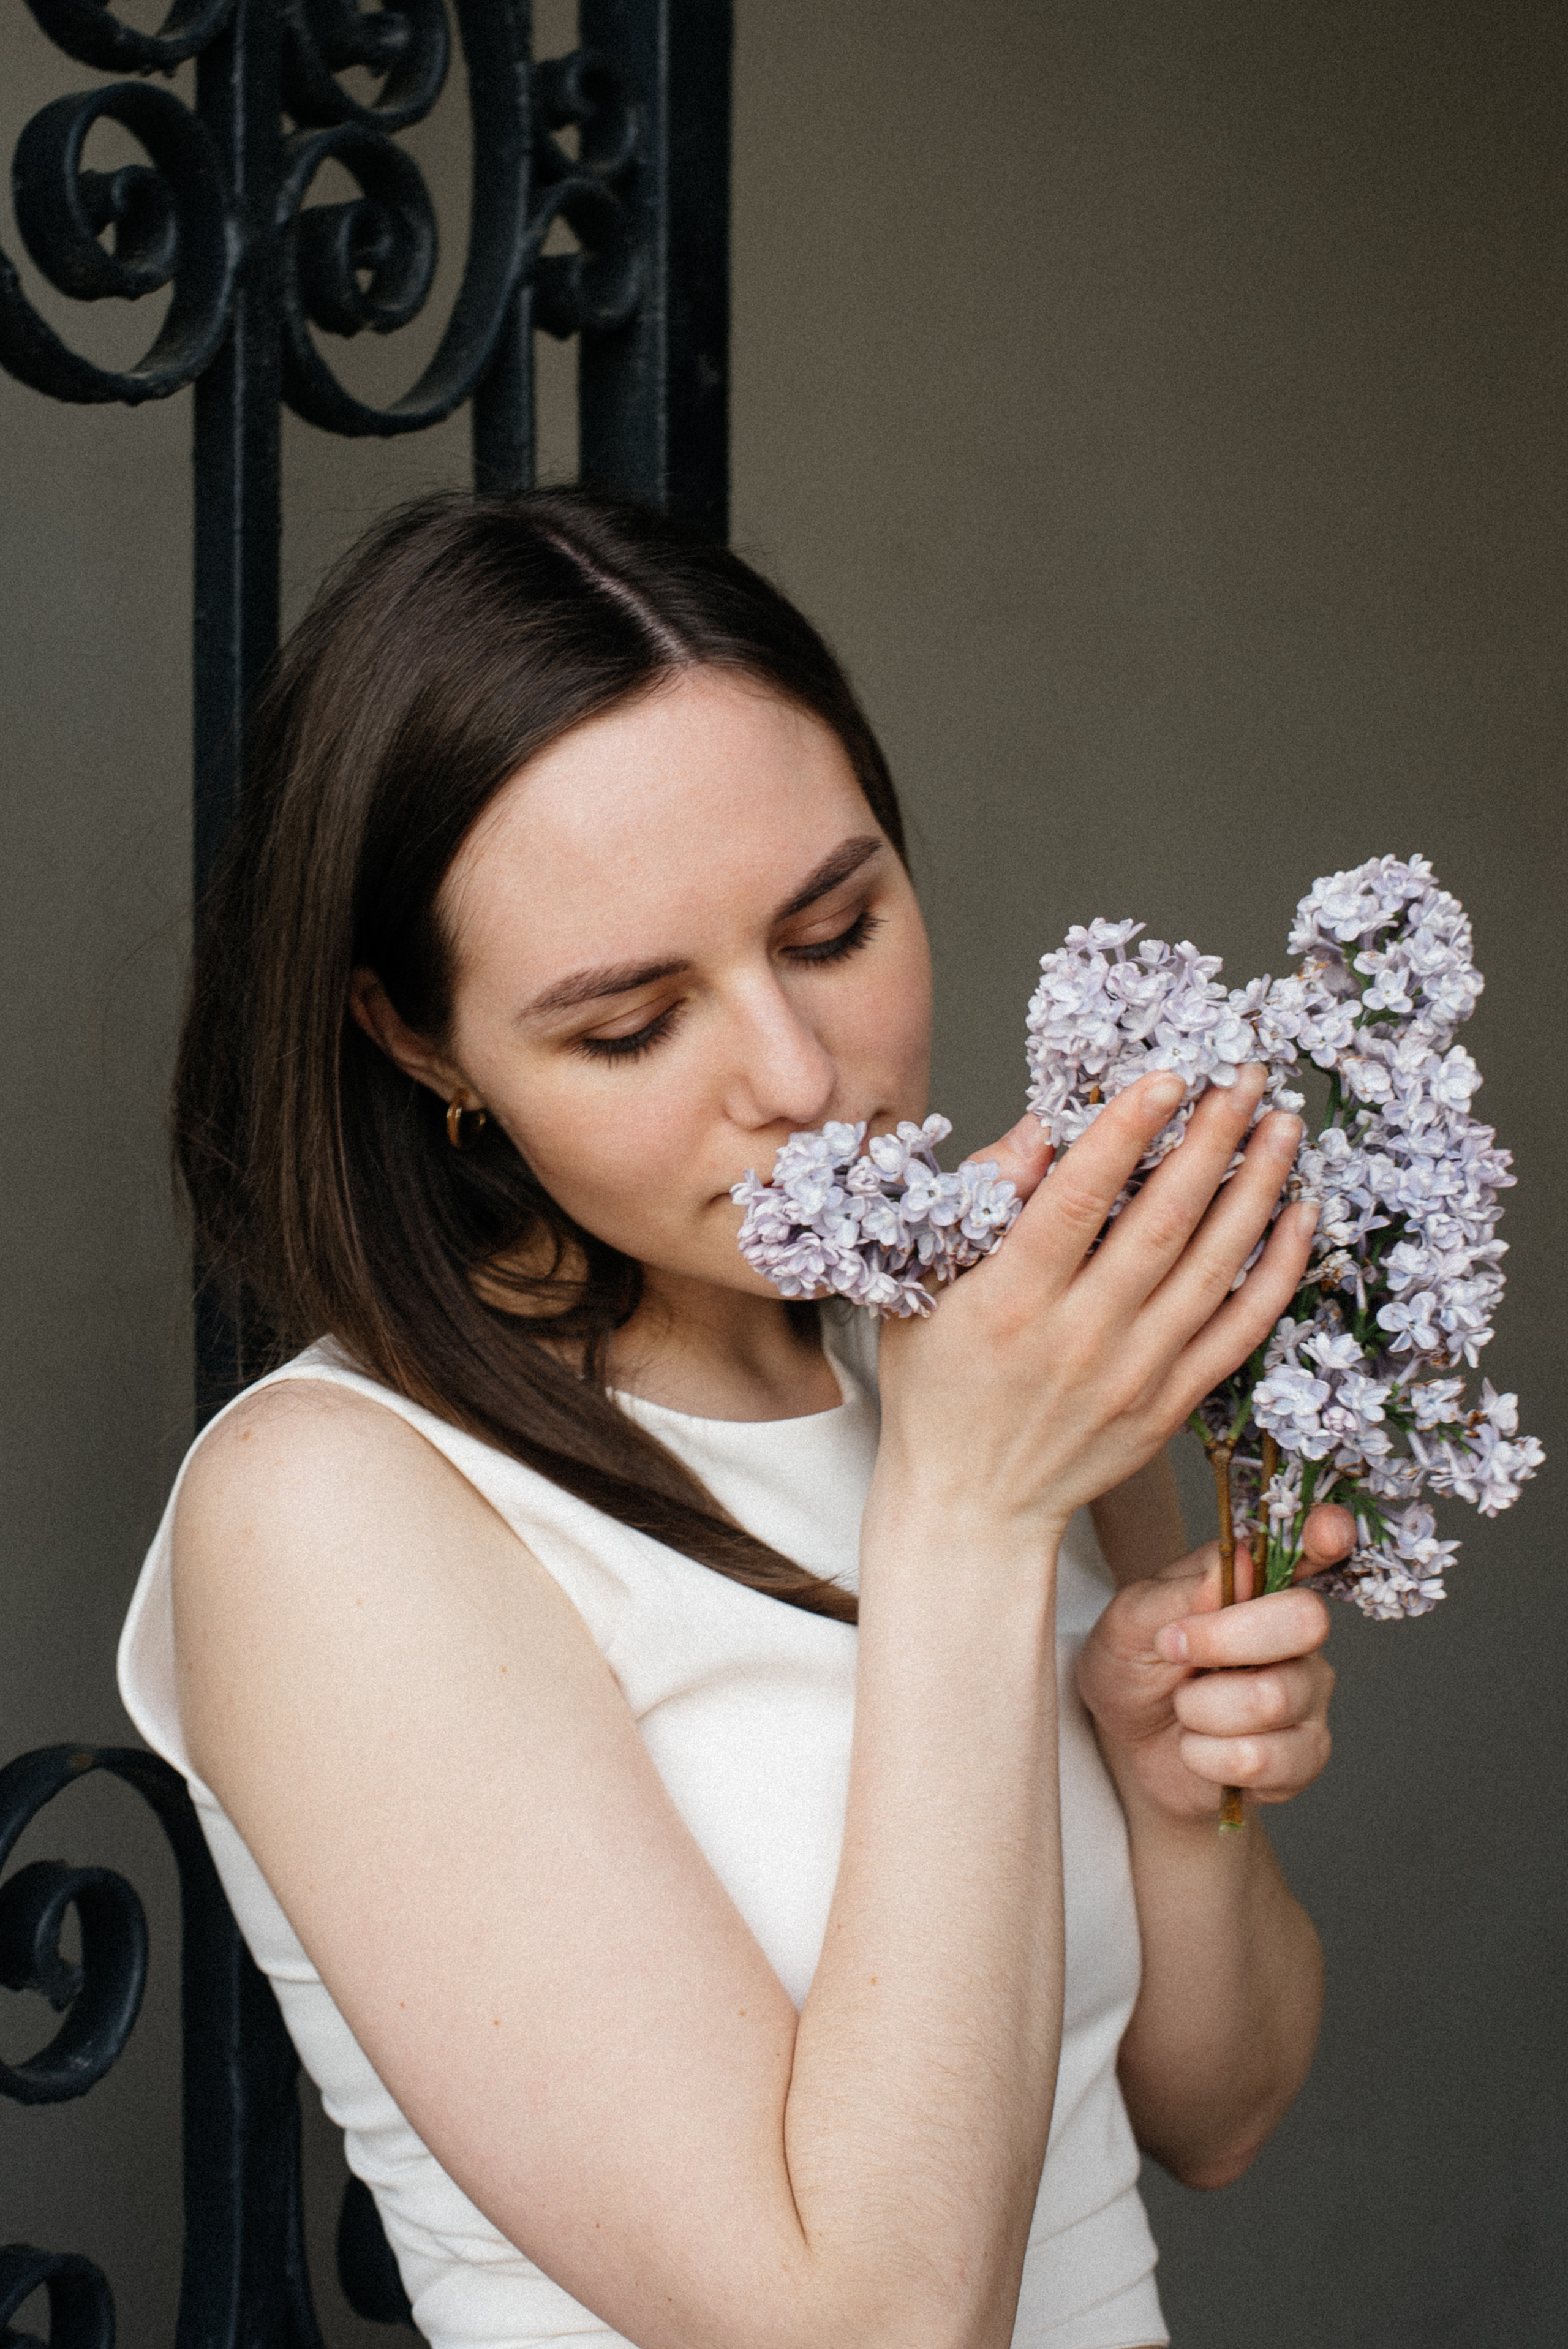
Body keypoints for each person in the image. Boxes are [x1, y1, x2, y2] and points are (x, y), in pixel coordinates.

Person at [119, 491, 1349, 2349]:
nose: (796, 1078)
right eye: (630, 1024)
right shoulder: (330, 1508)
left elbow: (1219, 2113)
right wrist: (972, 1522)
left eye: (835, 927)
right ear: (417, 1036)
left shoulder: (975, 1359)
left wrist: (1177, 1798)